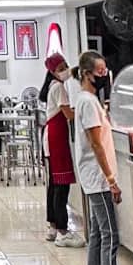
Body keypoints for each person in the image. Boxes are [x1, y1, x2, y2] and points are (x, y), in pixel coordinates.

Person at [74, 50, 133, 265]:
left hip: (94, 177)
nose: (104, 75)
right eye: (99, 71)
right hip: (98, 179)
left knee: (97, 234)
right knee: (110, 237)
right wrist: (111, 179)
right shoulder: (88, 103)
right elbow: (96, 144)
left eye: (105, 70)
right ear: (86, 74)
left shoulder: (88, 101)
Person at [43, 53, 83, 248]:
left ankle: (52, 226)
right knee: (61, 184)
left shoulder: (53, 86)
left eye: (66, 66)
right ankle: (63, 231)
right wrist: (86, 108)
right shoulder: (58, 87)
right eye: (61, 68)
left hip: (51, 137)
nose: (65, 70)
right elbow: (68, 114)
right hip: (56, 138)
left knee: (54, 183)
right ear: (52, 72)